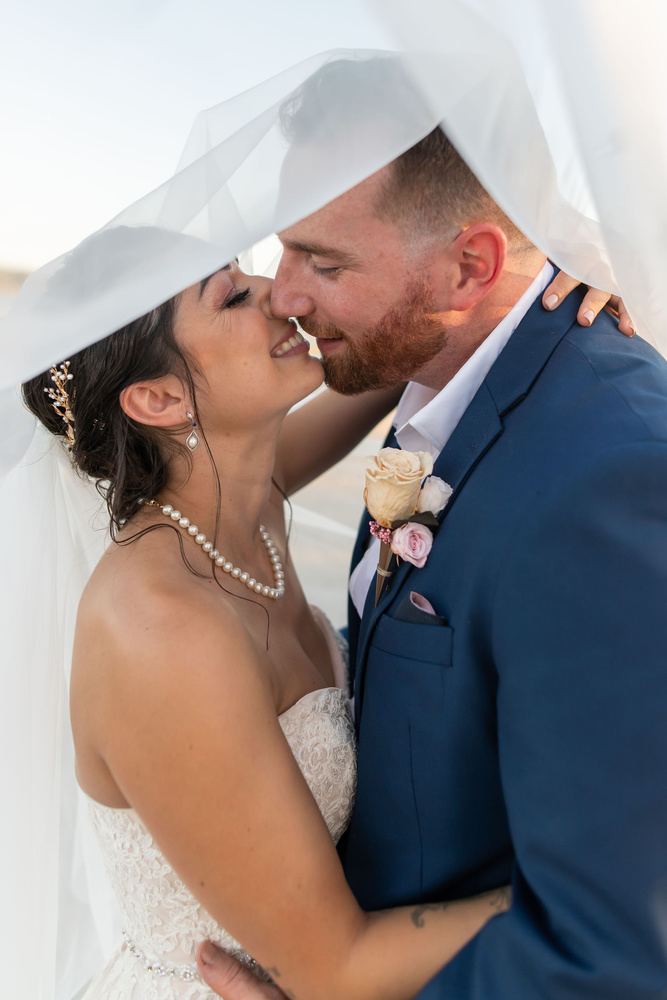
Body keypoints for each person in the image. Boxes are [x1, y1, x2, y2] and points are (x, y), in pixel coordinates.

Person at [196, 127, 667, 999]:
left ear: (469, 267)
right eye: (281, 247)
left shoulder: (610, 479)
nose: (283, 293)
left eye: (324, 263)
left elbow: (615, 956)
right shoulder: (427, 371)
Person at [23, 260, 520, 1000]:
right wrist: (597, 875)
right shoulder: (161, 627)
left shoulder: (238, 500)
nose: (279, 292)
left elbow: (406, 350)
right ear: (159, 398)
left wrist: (523, 300)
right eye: (231, 296)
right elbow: (337, 969)